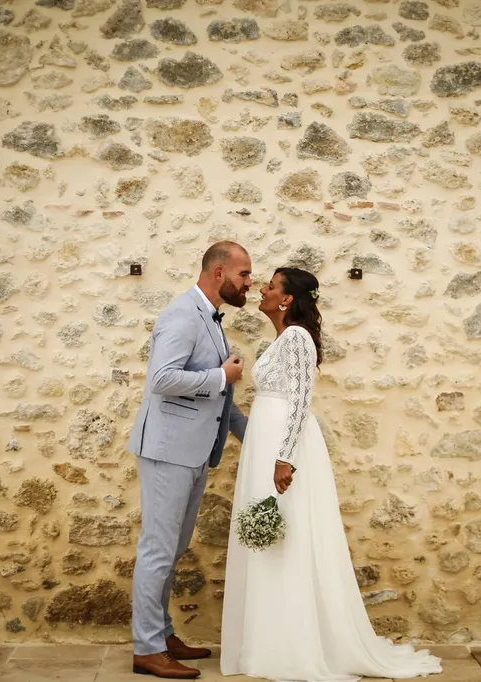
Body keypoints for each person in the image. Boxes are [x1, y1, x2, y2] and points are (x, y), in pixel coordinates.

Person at [220, 267, 442, 682]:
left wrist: (284, 457)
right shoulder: (281, 340)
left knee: (291, 537)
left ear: (286, 299)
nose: (262, 290)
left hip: (284, 450)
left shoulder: (299, 337)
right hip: (265, 445)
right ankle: (271, 641)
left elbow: (302, 400)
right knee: (269, 538)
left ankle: (298, 646)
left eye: (270, 286)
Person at [128, 241, 253, 679]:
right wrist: (222, 374)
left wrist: (258, 439)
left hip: (194, 453)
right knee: (158, 550)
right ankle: (146, 649)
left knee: (174, 548)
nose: (249, 283)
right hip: (168, 452)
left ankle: (161, 635)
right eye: (244, 274)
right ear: (219, 273)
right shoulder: (183, 314)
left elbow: (222, 399)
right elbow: (163, 379)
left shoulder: (211, 319)